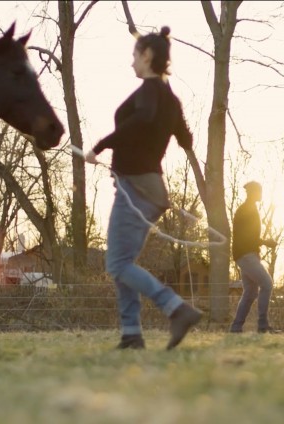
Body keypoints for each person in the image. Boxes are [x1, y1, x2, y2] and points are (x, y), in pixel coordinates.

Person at [84, 26, 203, 350]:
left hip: (137, 187)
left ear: (147, 56)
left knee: (117, 264)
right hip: (147, 188)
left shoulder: (151, 92)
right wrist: (171, 106)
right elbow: (187, 140)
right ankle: (131, 334)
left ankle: (176, 309)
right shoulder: (168, 98)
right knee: (123, 263)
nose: (131, 62)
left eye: (135, 55)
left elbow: (143, 118)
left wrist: (100, 146)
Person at [229, 181, 278, 333]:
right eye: (259, 191)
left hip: (246, 255)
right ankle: (262, 325)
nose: (261, 194)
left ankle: (236, 327)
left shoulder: (249, 209)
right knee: (267, 284)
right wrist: (266, 242)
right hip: (246, 255)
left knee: (250, 293)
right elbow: (247, 237)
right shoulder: (247, 210)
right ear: (252, 192)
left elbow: (249, 236)